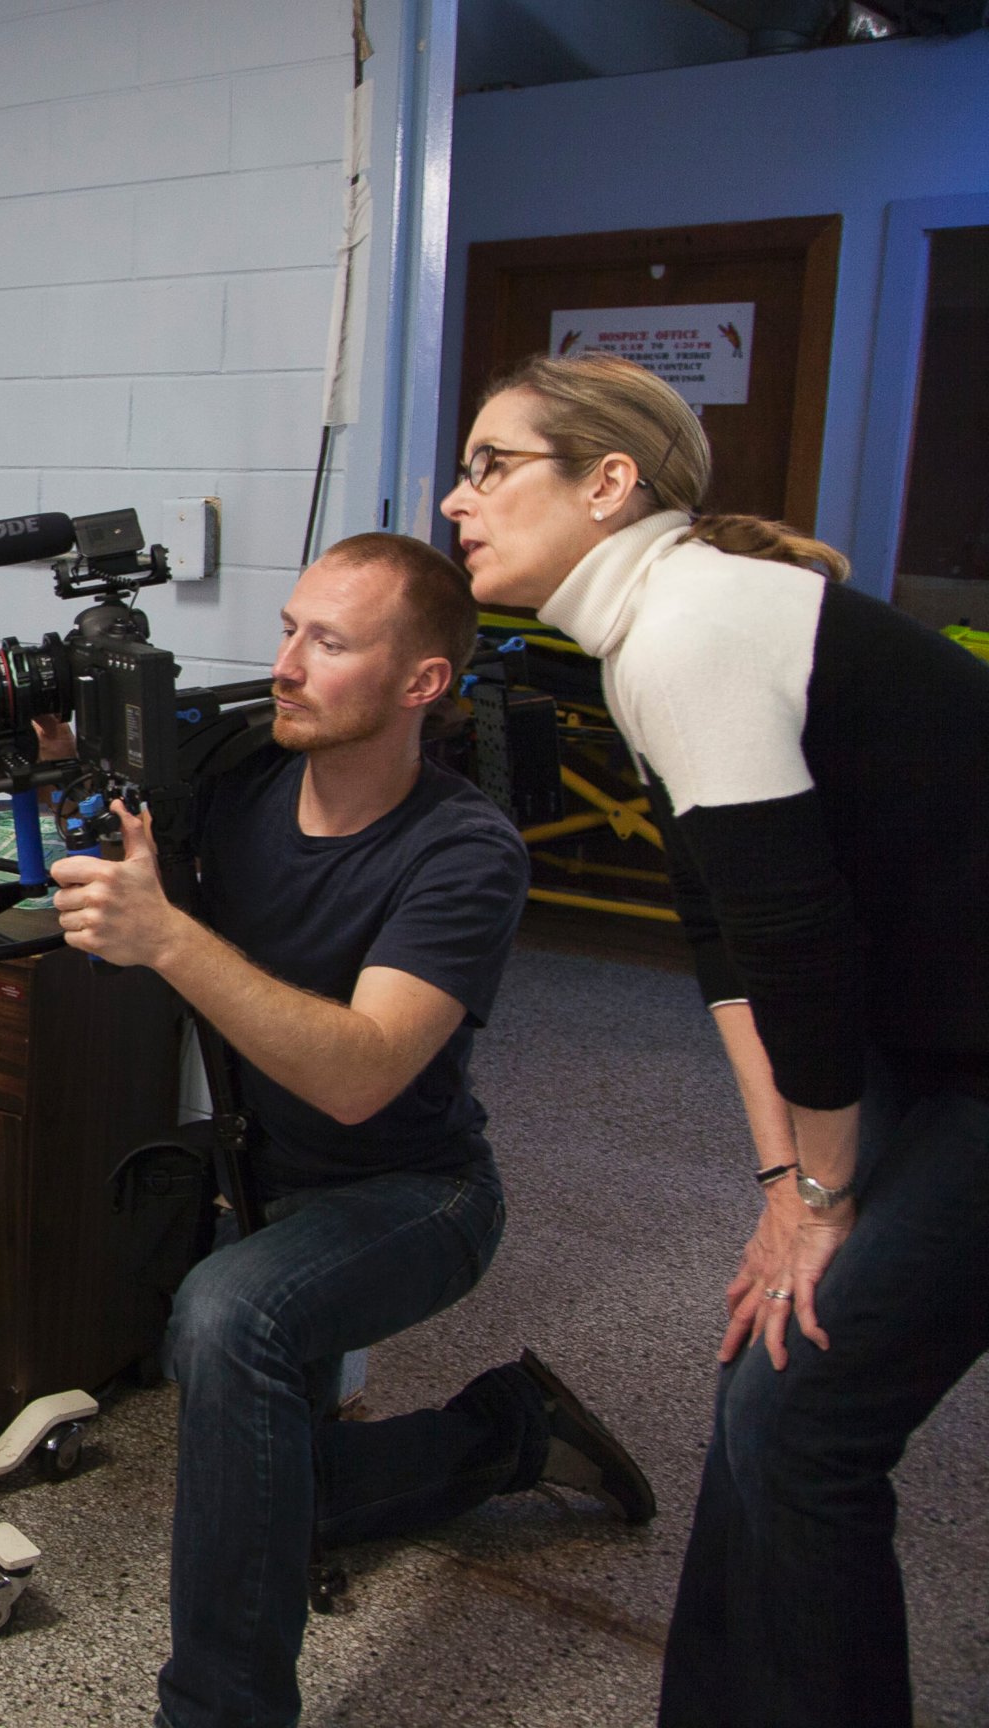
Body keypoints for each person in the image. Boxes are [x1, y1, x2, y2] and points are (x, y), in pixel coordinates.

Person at [442, 351, 989, 1728]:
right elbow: (729, 948)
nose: (459, 500)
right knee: (775, 1373)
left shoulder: (693, 624)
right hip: (933, 1037)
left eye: (491, 465)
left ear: (609, 483)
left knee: (807, 1420)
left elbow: (800, 952)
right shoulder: (646, 632)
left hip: (967, 1045)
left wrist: (827, 1193)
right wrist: (779, 1194)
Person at [42, 533, 653, 1728]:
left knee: (228, 1322)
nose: (285, 664)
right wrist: (73, 756)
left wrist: (168, 935)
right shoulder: (240, 782)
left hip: (415, 1194)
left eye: (329, 642)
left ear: (421, 682)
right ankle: (509, 1436)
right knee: (267, 1492)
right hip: (263, 1183)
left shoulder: (464, 853)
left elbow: (365, 1074)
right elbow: (120, 813)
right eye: (286, 629)